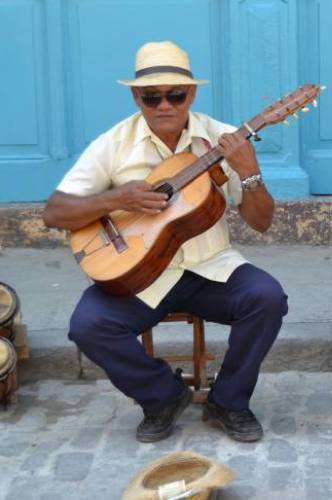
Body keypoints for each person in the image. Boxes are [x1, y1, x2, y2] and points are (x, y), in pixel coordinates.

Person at [42, 41, 288, 441]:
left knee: (267, 298)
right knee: (87, 325)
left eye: (175, 94)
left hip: (211, 268)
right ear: (135, 96)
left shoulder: (223, 139)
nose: (164, 105)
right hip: (141, 276)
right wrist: (117, 198)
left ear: (191, 93)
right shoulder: (114, 144)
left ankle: (229, 400)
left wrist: (250, 172)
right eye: (151, 96)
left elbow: (262, 223)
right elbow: (54, 212)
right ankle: (162, 396)